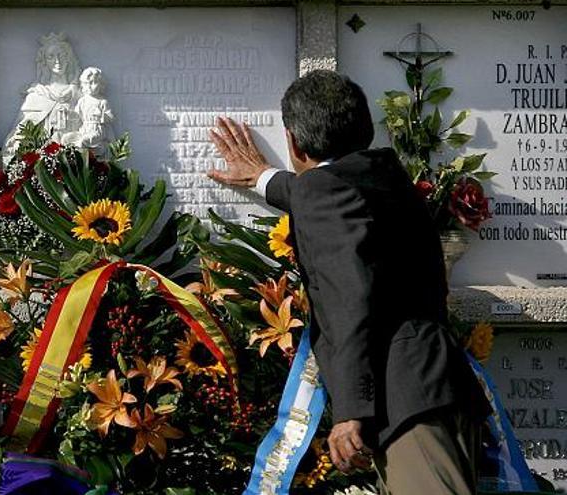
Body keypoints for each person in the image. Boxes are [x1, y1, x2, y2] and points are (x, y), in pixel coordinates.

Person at [208, 70, 488, 494]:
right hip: (433, 389)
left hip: (404, 402)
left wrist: (351, 412)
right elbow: (327, 196)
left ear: (294, 142)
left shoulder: (327, 193)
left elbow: (351, 300)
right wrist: (265, 176)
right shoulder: (384, 175)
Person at [4, 33, 81, 162]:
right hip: (44, 164)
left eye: (61, 55)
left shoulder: (79, 94)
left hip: (73, 164)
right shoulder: (36, 96)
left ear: (68, 57)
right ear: (44, 62)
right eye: (51, 56)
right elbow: (21, 132)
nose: (57, 61)